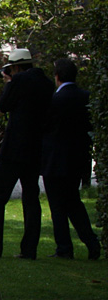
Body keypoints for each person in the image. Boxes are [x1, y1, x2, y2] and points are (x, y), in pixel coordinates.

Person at [0, 49, 54, 259]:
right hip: (35, 148)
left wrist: (9, 84)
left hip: (14, 149)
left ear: (16, 67)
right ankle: (29, 249)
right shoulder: (46, 83)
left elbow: (4, 106)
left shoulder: (18, 81)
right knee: (31, 198)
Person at [42, 58, 101, 260]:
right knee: (73, 202)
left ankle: (64, 247)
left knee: (58, 205)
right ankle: (91, 241)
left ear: (57, 77)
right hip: (77, 158)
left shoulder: (54, 100)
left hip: (55, 159)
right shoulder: (85, 97)